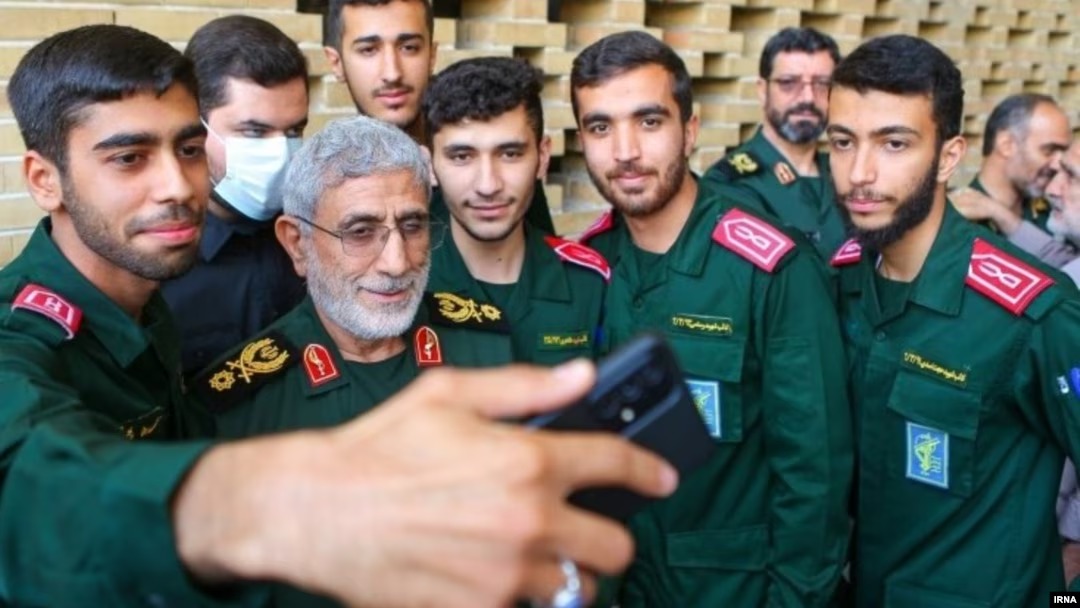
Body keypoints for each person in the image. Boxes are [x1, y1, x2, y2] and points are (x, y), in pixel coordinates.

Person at [0, 23, 679, 607]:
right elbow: (30, 483)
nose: (177, 185)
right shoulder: (23, 337)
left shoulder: (146, 311)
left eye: (188, 149)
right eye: (128, 158)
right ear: (43, 178)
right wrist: (274, 505)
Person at [573, 31, 853, 607]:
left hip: (732, 591)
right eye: (600, 127)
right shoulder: (588, 265)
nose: (624, 150)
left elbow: (815, 477)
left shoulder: (772, 269)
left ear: (691, 129)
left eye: (649, 121)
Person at [826, 34, 1080, 606]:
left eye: (894, 143)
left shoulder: (1033, 313)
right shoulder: (838, 280)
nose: (860, 172)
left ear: (948, 156)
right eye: (843, 142)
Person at [422, 57, 608, 365]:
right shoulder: (400, 283)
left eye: (509, 154)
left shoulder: (590, 284)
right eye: (462, 156)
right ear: (429, 165)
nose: (487, 185)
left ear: (542, 157)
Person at [322, 0, 557, 233]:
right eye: (368, 50)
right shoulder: (327, 181)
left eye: (409, 47)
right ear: (336, 63)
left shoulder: (495, 145)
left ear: (432, 55)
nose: (392, 73)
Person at [160, 15, 308, 376]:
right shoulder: (152, 259)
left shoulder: (317, 231)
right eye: (254, 132)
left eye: (294, 131)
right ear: (196, 125)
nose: (280, 154)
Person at [701, 27, 845, 258]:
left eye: (822, 84)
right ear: (762, 90)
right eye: (789, 82)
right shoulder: (730, 182)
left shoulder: (847, 171)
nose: (808, 98)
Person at [950, 93, 1075, 266]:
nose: (1057, 164)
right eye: (1049, 150)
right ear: (1006, 145)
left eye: (1063, 153)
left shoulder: (1056, 214)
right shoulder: (957, 219)